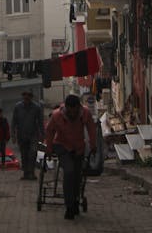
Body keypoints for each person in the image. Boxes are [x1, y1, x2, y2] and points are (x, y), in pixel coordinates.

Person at [45, 93, 97, 221]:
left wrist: (93, 145)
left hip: (78, 147)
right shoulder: (57, 115)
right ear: (66, 108)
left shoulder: (85, 113)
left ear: (79, 108)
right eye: (70, 111)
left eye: (75, 111)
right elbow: (49, 131)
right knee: (69, 172)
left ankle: (75, 200)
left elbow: (91, 129)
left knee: (77, 176)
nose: (73, 114)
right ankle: (69, 206)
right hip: (62, 146)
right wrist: (49, 148)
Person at [11, 89, 44, 180]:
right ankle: (26, 173)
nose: (26, 98)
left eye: (28, 96)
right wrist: (13, 135)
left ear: (31, 97)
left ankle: (32, 172)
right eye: (24, 96)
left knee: (33, 153)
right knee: (24, 154)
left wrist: (42, 135)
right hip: (21, 135)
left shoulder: (36, 107)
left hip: (33, 134)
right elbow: (14, 121)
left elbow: (40, 122)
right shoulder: (18, 107)